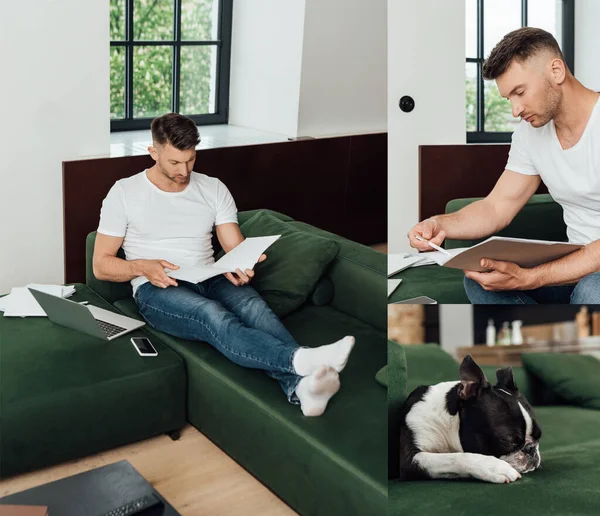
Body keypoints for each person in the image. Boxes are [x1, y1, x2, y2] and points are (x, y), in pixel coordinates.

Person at [93, 113, 355, 416]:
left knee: (256, 309)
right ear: (154, 152)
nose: (185, 170)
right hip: (157, 287)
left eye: (191, 160)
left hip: (210, 274)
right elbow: (101, 265)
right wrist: (142, 267)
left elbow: (233, 245)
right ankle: (300, 360)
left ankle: (300, 388)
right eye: (175, 163)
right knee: (212, 314)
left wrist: (242, 263)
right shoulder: (124, 193)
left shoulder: (213, 188)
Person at [408, 27, 600, 304]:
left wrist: (530, 278)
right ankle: (539, 341)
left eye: (520, 92)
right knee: (483, 278)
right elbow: (496, 207)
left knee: (592, 291)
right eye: (509, 98)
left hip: (593, 279)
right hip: (573, 267)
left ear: (556, 71)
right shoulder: (529, 134)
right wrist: (440, 224)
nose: (515, 110)